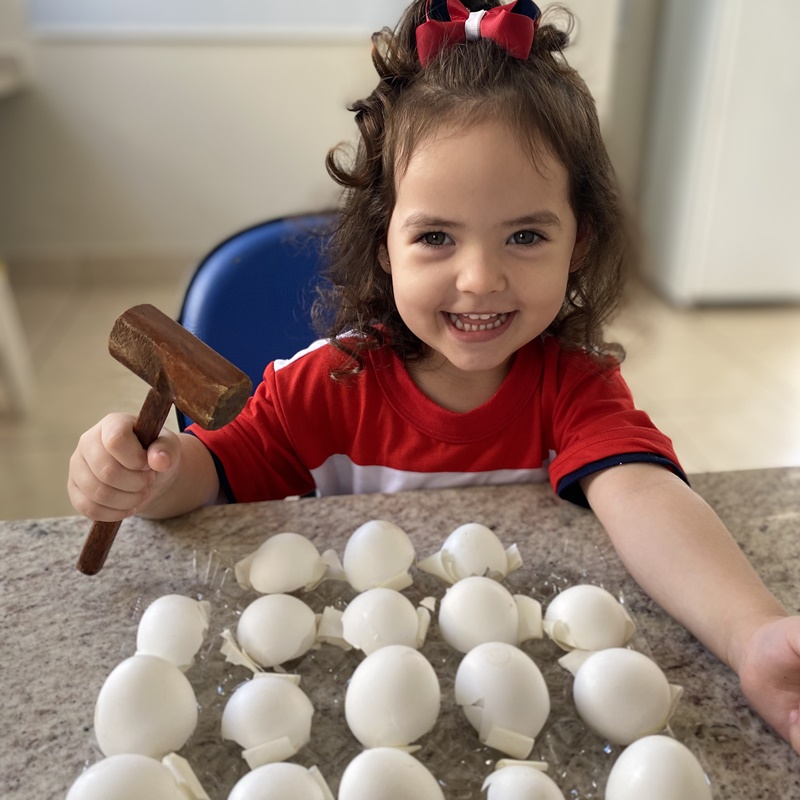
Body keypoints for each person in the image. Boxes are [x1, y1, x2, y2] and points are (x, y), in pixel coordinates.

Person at [68, 0, 800, 753]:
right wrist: (148, 477)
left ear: (578, 241)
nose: (480, 279)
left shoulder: (574, 390)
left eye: (524, 235)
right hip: (344, 711)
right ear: (384, 242)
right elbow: (213, 473)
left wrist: (754, 635)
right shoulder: (326, 387)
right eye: (436, 237)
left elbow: (645, 496)